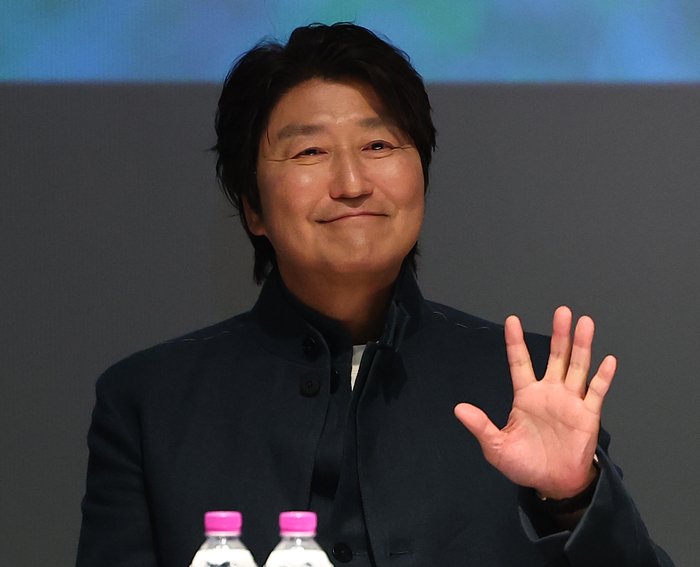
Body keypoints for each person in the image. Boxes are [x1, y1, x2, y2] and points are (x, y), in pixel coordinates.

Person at [76, 23, 673, 567]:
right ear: (252, 206)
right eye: (310, 151)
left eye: (379, 146)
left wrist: (573, 497)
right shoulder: (149, 403)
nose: (352, 182)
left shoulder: (529, 385)